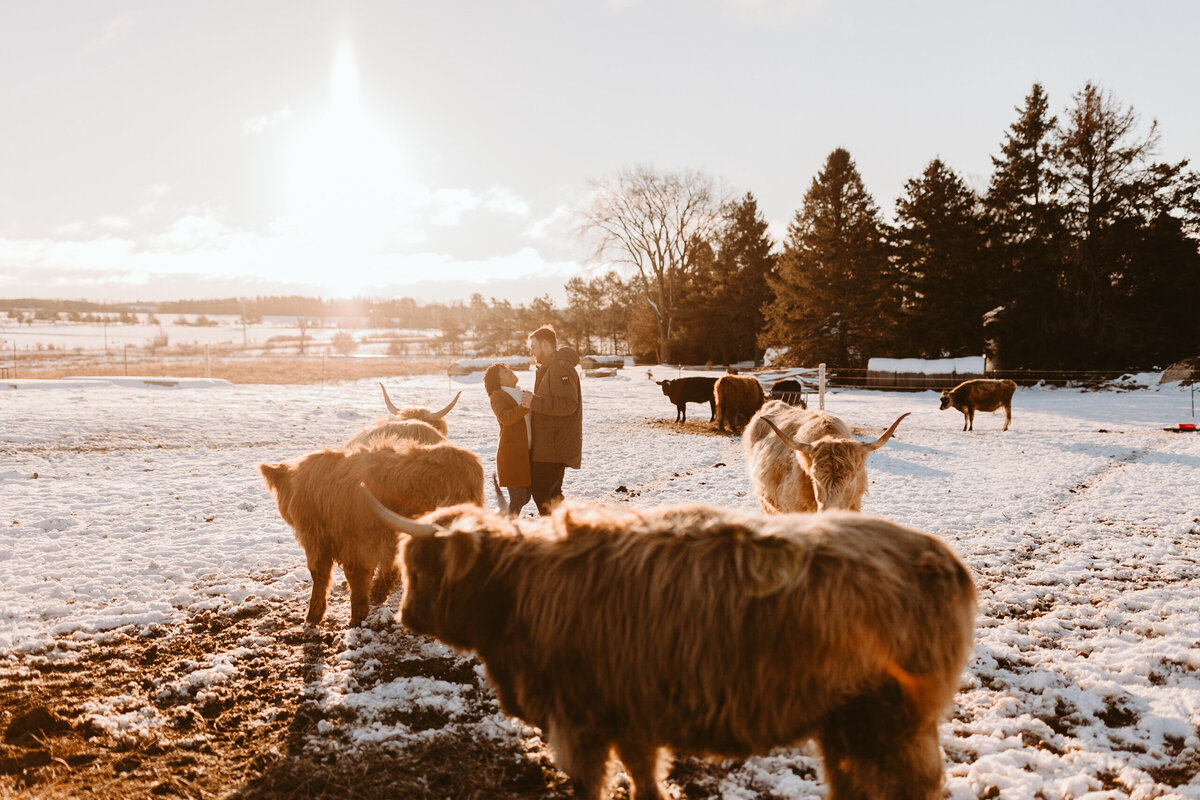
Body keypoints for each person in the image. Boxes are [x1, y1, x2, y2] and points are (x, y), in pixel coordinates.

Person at [519, 324, 581, 515]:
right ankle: (565, 532)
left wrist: (535, 402)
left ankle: (559, 533)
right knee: (550, 494)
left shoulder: (558, 369)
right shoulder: (548, 368)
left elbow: (569, 404)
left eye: (534, 347)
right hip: (547, 444)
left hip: (553, 446)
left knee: (543, 493)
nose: (532, 352)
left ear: (545, 345)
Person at [483, 363, 532, 516]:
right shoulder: (497, 396)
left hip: (531, 452)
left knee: (526, 496)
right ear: (498, 379)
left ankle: (505, 521)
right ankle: (506, 529)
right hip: (513, 454)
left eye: (510, 369)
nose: (511, 372)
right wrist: (525, 406)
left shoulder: (522, 392)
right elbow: (505, 418)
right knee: (518, 498)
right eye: (505, 371)